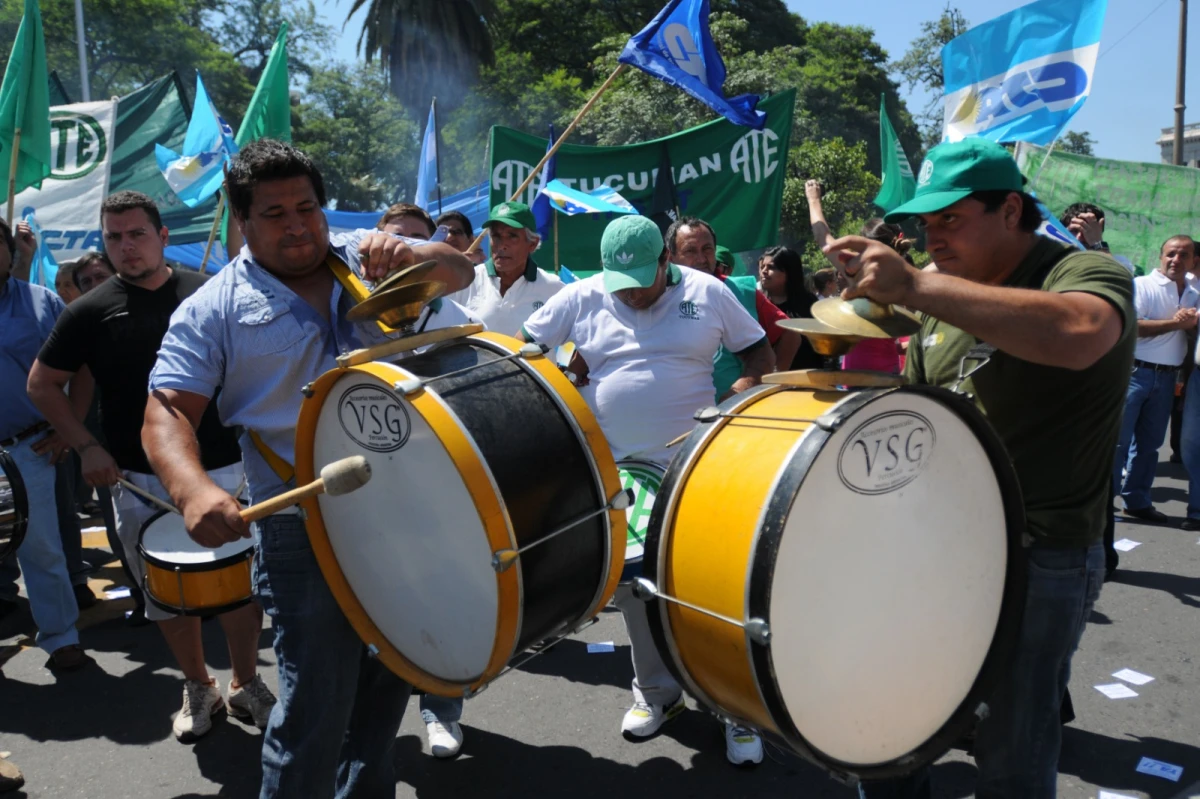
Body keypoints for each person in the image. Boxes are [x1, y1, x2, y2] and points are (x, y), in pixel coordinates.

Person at [141, 139, 473, 798]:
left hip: (407, 507)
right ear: (243, 221)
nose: (297, 225)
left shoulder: (362, 251)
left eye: (307, 207)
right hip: (301, 523)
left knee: (391, 678)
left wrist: (414, 252)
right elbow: (165, 412)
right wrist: (193, 488)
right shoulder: (213, 308)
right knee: (316, 704)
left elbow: (457, 270)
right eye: (274, 213)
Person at [827, 138, 1135, 799]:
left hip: (1038, 554)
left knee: (1012, 750)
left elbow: (1081, 334)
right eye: (926, 222)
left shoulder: (1083, 274)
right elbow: (916, 412)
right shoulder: (942, 301)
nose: (932, 236)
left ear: (1011, 210)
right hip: (931, 546)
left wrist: (912, 284)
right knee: (890, 725)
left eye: (951, 219)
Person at [517, 215, 775, 766]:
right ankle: (657, 696)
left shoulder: (708, 291)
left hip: (700, 463)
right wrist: (566, 379)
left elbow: (759, 354)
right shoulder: (582, 296)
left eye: (643, 279)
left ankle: (736, 710)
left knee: (712, 587)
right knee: (635, 590)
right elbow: (525, 353)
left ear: (666, 262)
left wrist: (734, 399)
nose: (632, 294)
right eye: (621, 282)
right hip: (621, 470)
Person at [27, 191, 278, 742]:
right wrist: (85, 444)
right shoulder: (88, 311)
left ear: (163, 237)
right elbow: (42, 384)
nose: (125, 246)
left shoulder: (210, 292)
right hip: (138, 481)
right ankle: (197, 685)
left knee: (243, 585)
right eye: (114, 237)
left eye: (136, 233)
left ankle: (245, 681)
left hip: (228, 468)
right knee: (166, 592)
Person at [0, 216, 87, 669]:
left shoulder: (42, 302)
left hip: (28, 450)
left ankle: (61, 637)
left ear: (9, 250)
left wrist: (67, 427)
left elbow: (80, 368)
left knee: (42, 547)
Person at [1112, 235, 1198, 524]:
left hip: (1166, 378)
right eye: (1171, 254)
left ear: (1192, 261)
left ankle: (1136, 500)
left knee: (1149, 446)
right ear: (1160, 256)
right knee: (1118, 443)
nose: (1177, 260)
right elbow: (1132, 327)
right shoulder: (1142, 285)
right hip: (1135, 373)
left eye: (1184, 255)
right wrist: (1175, 323)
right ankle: (1103, 504)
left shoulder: (1193, 292)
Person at [665, 216, 798, 397]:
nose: (701, 258)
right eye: (690, 251)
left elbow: (789, 333)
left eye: (707, 249)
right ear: (670, 257)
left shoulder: (741, 291)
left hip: (735, 412)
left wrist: (771, 382)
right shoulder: (659, 295)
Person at [806, 180, 903, 373]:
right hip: (891, 374)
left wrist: (813, 199)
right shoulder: (909, 276)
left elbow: (822, 237)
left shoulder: (860, 272)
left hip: (857, 375)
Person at [447, 201, 564, 336]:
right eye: (496, 236)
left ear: (532, 244)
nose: (502, 245)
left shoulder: (553, 288)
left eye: (512, 236)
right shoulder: (465, 281)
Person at [758, 245, 822, 370]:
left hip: (807, 380)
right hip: (767, 381)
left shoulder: (810, 305)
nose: (763, 271)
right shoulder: (757, 303)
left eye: (771, 267)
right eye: (762, 267)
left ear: (789, 272)